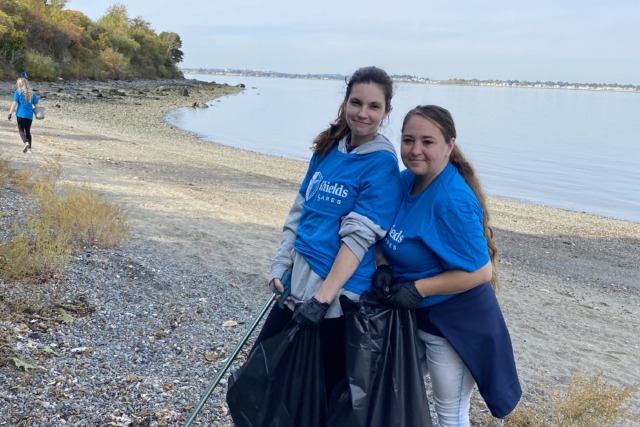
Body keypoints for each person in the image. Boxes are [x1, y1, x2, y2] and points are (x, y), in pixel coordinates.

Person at [252, 66, 403, 399]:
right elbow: (299, 213)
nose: (363, 113)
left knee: (321, 392)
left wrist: (321, 301)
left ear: (386, 112)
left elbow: (359, 238)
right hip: (296, 281)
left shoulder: (382, 164)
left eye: (374, 106)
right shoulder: (327, 148)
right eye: (356, 103)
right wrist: (281, 265)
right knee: (262, 374)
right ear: (345, 102)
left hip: (338, 298)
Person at [375, 105, 521, 426]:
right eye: (408, 140)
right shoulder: (406, 182)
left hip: (454, 326)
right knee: (383, 388)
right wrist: (383, 264)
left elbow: (482, 272)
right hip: (416, 319)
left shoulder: (452, 200)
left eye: (428, 141)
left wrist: (417, 289)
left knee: (450, 414)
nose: (416, 150)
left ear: (449, 145)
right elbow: (383, 232)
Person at [7, 76, 40, 154]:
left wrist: (10, 113)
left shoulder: (18, 92)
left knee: (21, 130)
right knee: (28, 131)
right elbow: (36, 105)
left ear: (19, 84)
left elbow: (14, 103)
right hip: (29, 115)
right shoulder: (32, 93)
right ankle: (29, 149)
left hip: (20, 114)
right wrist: (38, 114)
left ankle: (26, 143)